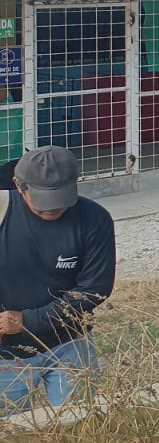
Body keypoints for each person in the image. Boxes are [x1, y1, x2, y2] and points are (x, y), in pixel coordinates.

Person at [0, 147, 115, 411]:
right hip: (5, 356)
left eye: (61, 197)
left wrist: (26, 321)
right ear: (18, 185)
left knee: (80, 423)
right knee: (9, 433)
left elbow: (93, 290)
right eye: (43, 198)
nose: (53, 207)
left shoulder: (94, 219)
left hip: (70, 344)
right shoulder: (1, 211)